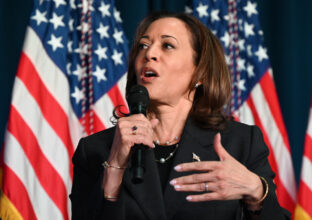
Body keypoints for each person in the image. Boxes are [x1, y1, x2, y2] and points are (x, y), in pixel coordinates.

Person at [70, 12, 290, 220]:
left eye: (167, 45)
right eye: (143, 45)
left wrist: (256, 191)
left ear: (200, 72)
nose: (149, 53)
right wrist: (115, 166)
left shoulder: (241, 143)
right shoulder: (95, 150)